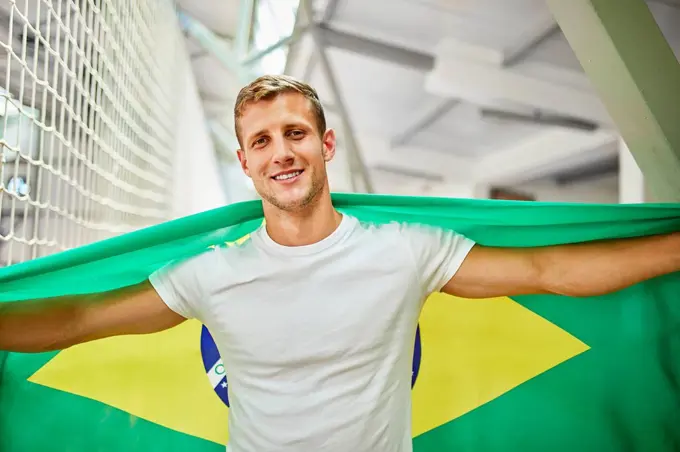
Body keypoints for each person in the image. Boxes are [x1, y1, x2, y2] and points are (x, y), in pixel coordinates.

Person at [1, 74, 679, 452]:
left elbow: (548, 273)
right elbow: (82, 316)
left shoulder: (404, 250)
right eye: (261, 141)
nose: (281, 152)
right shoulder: (211, 275)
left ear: (325, 144)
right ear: (245, 163)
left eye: (295, 133)